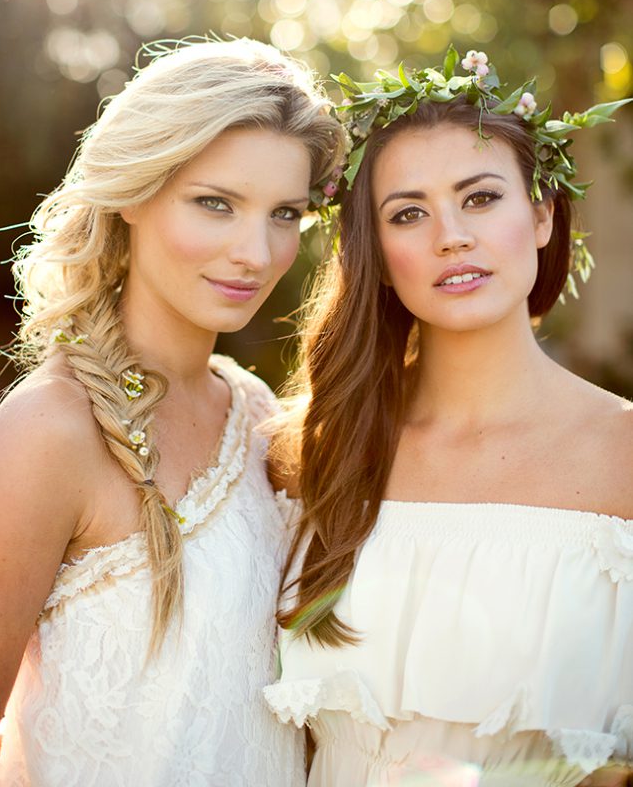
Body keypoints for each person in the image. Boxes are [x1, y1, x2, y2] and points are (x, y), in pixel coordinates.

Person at [0, 36, 346, 787]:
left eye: (285, 213)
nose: (256, 253)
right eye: (215, 204)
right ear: (133, 191)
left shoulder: (256, 412)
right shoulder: (51, 432)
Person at [264, 47, 633, 787]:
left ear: (540, 216)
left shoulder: (622, 453)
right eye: (409, 213)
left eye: (481, 198)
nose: (450, 236)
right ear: (378, 251)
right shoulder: (313, 450)